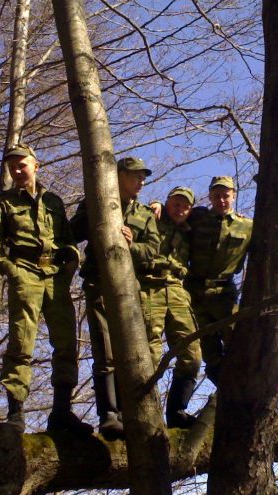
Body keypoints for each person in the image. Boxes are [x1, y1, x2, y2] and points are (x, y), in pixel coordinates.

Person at [0, 145, 92, 436]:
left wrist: (70, 264)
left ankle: (61, 413)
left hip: (56, 276)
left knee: (67, 343)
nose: (17, 171)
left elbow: (67, 239)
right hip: (25, 273)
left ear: (36, 165)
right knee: (21, 343)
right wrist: (12, 270)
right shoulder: (3, 203)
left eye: (22, 165)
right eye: (12, 167)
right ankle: (15, 413)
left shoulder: (53, 200)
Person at [70, 157, 160, 438]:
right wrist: (95, 217)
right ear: (119, 176)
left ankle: (129, 412)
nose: (141, 182)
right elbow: (73, 232)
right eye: (135, 176)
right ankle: (108, 414)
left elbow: (152, 252)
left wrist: (131, 244)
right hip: (98, 283)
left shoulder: (145, 213)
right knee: (105, 350)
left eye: (143, 177)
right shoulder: (96, 201)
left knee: (134, 352)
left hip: (130, 288)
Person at [139, 186, 202, 428]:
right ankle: (144, 409)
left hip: (177, 290)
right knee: (149, 352)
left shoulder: (191, 229)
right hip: (150, 286)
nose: (180, 208)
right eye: (176, 203)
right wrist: (153, 204)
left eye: (185, 205)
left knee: (192, 352)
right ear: (167, 203)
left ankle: (177, 411)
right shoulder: (151, 217)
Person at [182, 176, 253, 384]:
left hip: (224, 293)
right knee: (209, 349)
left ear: (234, 196)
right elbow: (173, 214)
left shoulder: (247, 226)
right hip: (195, 292)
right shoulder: (196, 217)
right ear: (210, 196)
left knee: (237, 340)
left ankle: (240, 384)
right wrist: (157, 204)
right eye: (217, 195)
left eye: (226, 195)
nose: (221, 200)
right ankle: (223, 386)